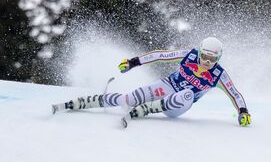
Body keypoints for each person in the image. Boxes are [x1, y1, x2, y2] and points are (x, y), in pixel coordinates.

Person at [52, 37, 251, 127]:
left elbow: (234, 93)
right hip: (166, 86)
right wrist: (133, 62)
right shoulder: (188, 55)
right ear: (199, 52)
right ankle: (85, 102)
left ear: (218, 58)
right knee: (129, 98)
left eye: (212, 60)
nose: (207, 63)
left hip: (178, 105)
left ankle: (146, 109)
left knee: (188, 93)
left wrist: (243, 112)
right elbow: (161, 55)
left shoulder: (218, 75)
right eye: (205, 57)